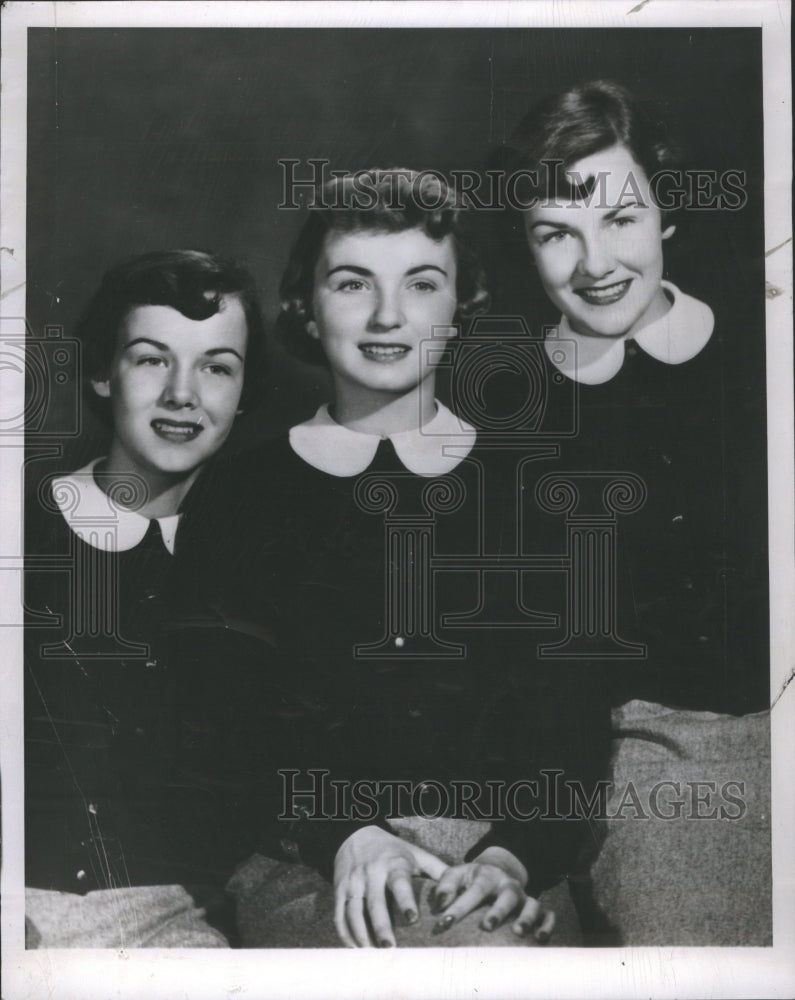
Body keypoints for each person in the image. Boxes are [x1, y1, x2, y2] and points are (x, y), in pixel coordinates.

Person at [178, 169, 612, 948]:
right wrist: (349, 837)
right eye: (352, 284)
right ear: (306, 308)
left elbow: (569, 725)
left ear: (462, 303)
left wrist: (510, 861)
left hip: (507, 867)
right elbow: (221, 726)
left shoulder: (537, 487)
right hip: (311, 861)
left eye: (420, 284)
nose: (387, 315)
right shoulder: (239, 493)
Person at [494, 80, 769, 715]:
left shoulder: (762, 355)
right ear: (526, 246)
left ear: (666, 213)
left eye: (620, 219)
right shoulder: (502, 404)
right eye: (557, 234)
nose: (596, 264)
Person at [24, 249, 268, 947]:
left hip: (173, 924)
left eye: (217, 366)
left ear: (244, 390)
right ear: (102, 372)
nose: (183, 394)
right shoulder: (23, 531)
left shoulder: (262, 554)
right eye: (152, 359)